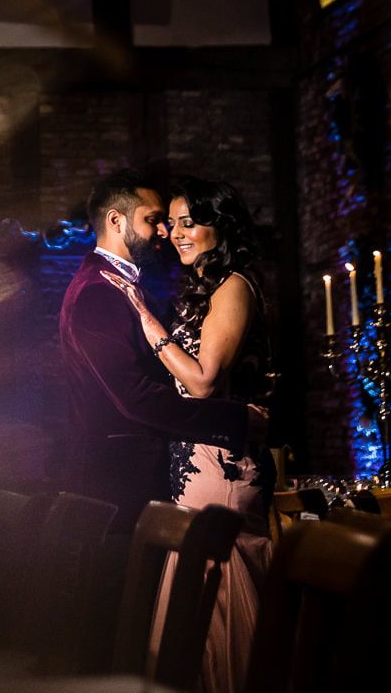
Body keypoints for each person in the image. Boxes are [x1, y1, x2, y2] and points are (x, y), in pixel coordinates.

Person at [102, 176, 275, 693]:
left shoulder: (235, 287)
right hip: (190, 465)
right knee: (189, 615)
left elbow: (200, 381)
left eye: (189, 222)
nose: (176, 233)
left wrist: (144, 318)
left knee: (218, 604)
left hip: (221, 466)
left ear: (220, 227)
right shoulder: (201, 288)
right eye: (171, 223)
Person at [59, 170, 266, 527]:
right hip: (120, 483)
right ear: (115, 220)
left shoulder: (132, 288)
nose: (163, 233)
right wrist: (233, 419)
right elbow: (135, 397)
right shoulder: (98, 291)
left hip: (156, 474)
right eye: (154, 221)